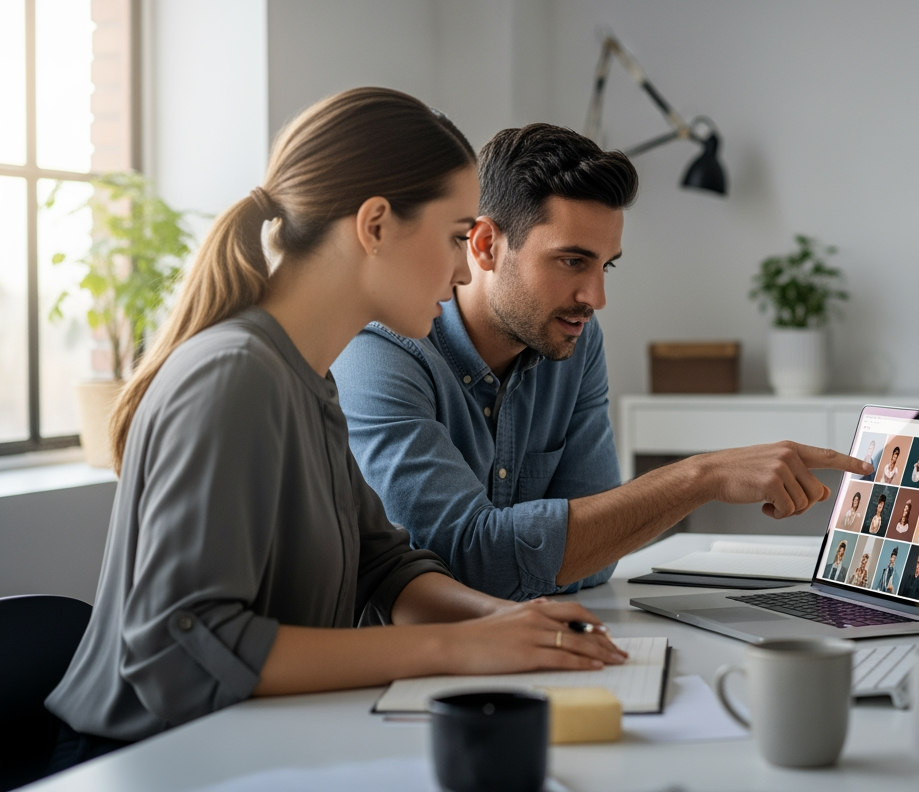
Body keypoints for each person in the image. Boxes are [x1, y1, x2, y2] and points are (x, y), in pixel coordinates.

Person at [41, 90, 626, 769]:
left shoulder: (304, 373)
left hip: (250, 747)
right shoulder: (234, 374)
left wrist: (499, 622)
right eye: (453, 237)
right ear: (375, 225)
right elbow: (180, 651)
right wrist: (456, 647)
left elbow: (384, 563)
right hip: (147, 763)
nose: (466, 269)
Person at [332, 124, 871, 600]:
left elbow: (600, 556)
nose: (595, 297)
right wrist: (698, 477)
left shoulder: (575, 343)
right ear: (486, 244)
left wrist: (558, 545)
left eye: (605, 267)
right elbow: (464, 560)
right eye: (572, 261)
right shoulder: (381, 352)